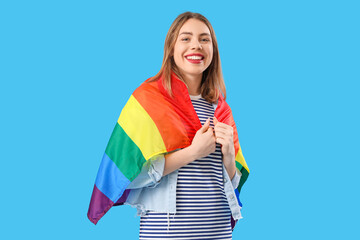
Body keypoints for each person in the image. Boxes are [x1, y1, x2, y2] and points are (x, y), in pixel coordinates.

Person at [87, 11, 249, 240]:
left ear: (213, 50)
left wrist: (230, 159)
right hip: (166, 234)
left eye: (205, 39)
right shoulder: (148, 102)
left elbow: (232, 183)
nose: (196, 46)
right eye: (186, 38)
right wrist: (192, 153)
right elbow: (129, 175)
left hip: (218, 231)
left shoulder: (221, 110)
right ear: (171, 48)